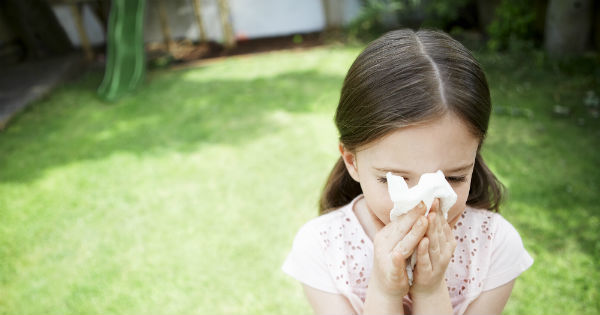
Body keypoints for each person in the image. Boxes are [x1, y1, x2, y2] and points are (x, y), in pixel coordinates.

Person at [281, 29, 534, 315]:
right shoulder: (322, 248)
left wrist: (430, 289)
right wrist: (385, 290)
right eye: (396, 180)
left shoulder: (494, 245)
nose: (425, 205)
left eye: (453, 178)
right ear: (352, 161)